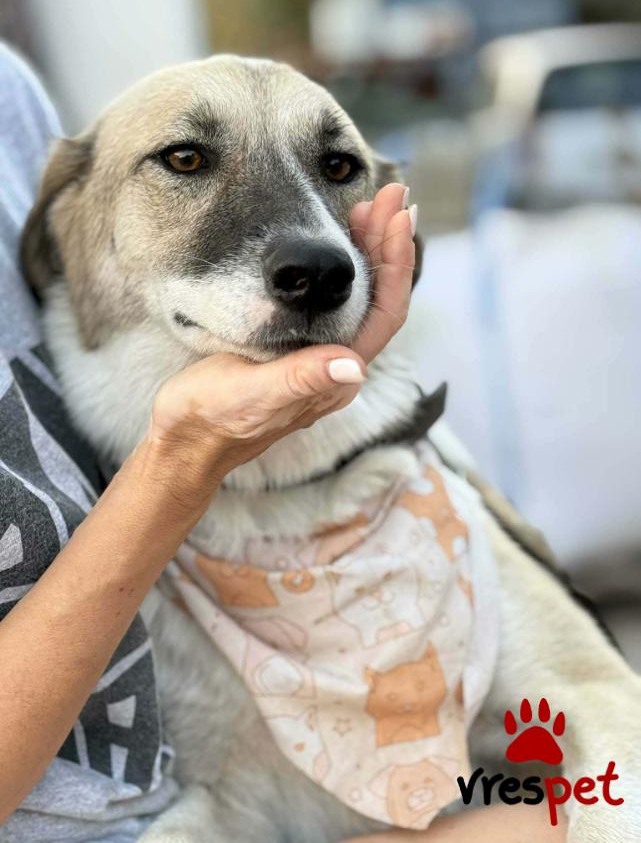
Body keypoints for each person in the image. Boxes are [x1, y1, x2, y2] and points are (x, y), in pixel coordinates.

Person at [0, 42, 566, 842]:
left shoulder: (12, 95)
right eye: (187, 160)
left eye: (335, 169)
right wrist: (181, 461)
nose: (314, 253)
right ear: (62, 227)